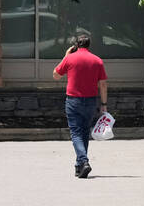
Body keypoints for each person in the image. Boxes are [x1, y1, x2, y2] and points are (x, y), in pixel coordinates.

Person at [52, 32, 108, 179]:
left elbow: (56, 75)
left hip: (73, 101)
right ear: (89, 45)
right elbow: (102, 85)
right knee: (84, 133)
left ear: (76, 45)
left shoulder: (70, 58)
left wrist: (66, 56)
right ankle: (79, 167)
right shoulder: (97, 61)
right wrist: (104, 104)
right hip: (91, 101)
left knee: (76, 133)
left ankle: (83, 161)